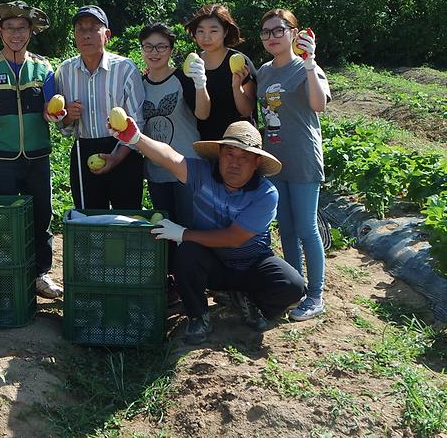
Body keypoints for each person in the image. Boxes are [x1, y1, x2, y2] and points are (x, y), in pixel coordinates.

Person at [107, 116, 306, 344]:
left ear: (256, 163)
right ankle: (198, 316)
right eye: (229, 153)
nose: (235, 162)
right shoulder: (201, 174)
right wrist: (136, 138)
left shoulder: (265, 193)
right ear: (220, 155)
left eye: (244, 157)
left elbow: (234, 238)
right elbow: (170, 158)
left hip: (252, 263)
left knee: (292, 286)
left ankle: (250, 301)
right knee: (187, 253)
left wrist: (183, 233)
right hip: (213, 265)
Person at [0, 1, 67, 299]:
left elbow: (53, 104)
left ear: (31, 31)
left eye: (22, 27)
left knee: (42, 215)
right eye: (10, 28)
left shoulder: (44, 67)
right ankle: (7, 274)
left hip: (38, 155)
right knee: (4, 219)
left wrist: (55, 114)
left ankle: (40, 274)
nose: (16, 33)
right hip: (1, 157)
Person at [256, 9, 331, 321]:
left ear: (293, 32)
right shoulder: (263, 71)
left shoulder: (305, 68)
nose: (272, 36)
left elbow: (319, 105)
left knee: (306, 228)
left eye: (279, 30)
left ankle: (316, 295)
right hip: (275, 159)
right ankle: (295, 288)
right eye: (266, 32)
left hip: (301, 156)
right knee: (285, 227)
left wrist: (311, 64)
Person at [55, 5, 145, 211]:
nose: (86, 34)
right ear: (75, 35)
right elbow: (64, 127)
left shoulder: (125, 68)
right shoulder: (65, 71)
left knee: (126, 218)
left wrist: (116, 158)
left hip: (123, 150)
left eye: (94, 28)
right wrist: (68, 116)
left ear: (107, 35)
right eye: (80, 29)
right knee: (90, 221)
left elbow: (138, 122)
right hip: (83, 151)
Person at [138, 22, 207, 224]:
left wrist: (200, 84)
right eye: (148, 46)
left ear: (171, 50)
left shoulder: (183, 78)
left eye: (161, 46)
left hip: (187, 166)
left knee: (188, 228)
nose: (154, 52)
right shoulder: (138, 84)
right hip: (156, 170)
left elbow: (203, 114)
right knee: (164, 228)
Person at [185, 3, 258, 142]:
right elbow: (201, 114)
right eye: (200, 31)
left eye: (213, 31)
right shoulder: (193, 64)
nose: (206, 38)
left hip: (240, 145)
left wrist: (236, 88)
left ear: (225, 32)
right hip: (206, 145)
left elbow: (247, 111)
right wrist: (200, 83)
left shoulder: (239, 61)